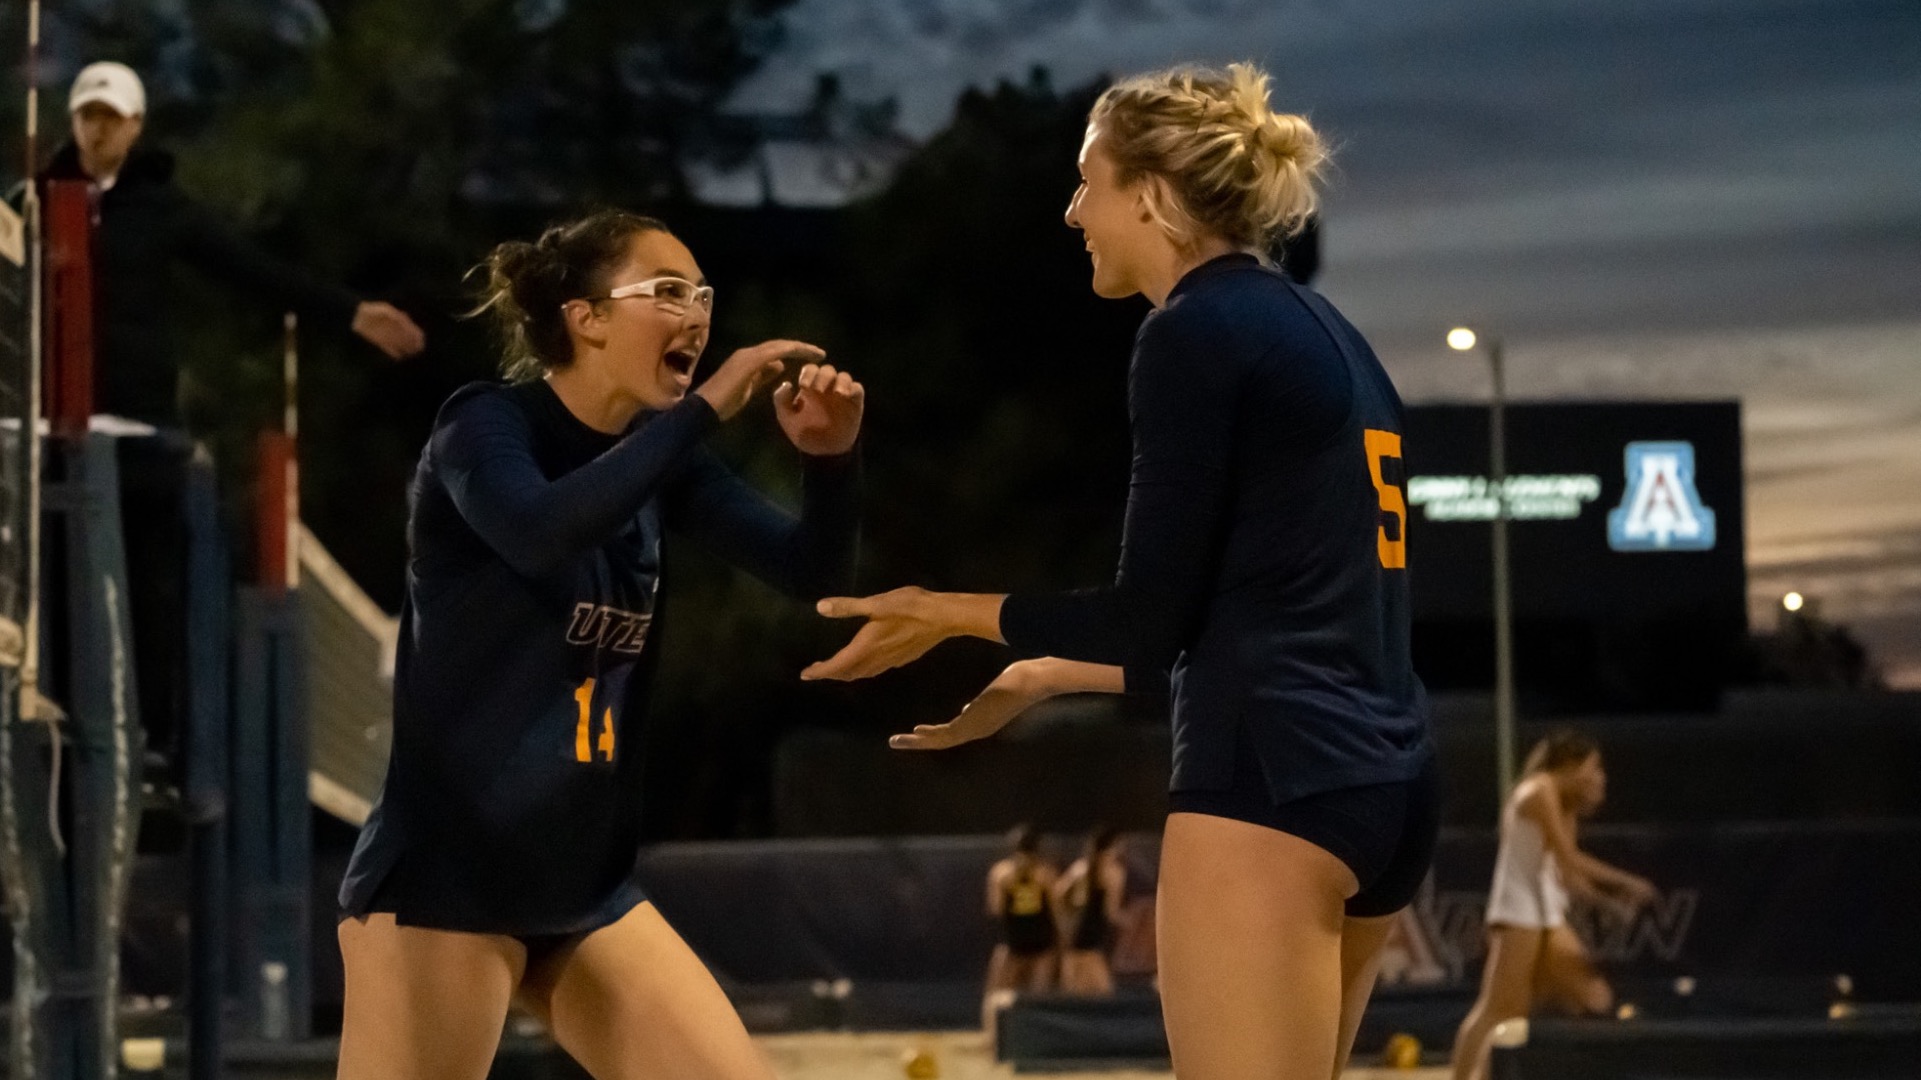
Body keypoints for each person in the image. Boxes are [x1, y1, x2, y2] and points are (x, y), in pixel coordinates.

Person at [803, 63, 1438, 1079]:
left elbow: (1146, 616)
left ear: (1146, 193)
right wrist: (1052, 674)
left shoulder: (1189, 331)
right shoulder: (1333, 336)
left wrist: (944, 610)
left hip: (1272, 782)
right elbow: (1280, 617)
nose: (1071, 212)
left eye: (1085, 182)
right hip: (1386, 784)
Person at [334, 209, 863, 1080]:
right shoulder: (486, 425)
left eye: (702, 295)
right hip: (450, 879)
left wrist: (832, 464)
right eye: (666, 292)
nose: (696, 313)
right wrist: (699, 411)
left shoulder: (661, 458)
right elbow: (541, 531)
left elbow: (814, 574)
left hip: (582, 885)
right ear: (586, 318)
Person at [37, 60, 426, 426]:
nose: (99, 129)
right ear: (73, 122)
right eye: (89, 115)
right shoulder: (36, 199)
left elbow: (254, 271)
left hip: (137, 410)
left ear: (135, 125)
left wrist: (351, 313)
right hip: (48, 404)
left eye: (112, 116)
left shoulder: (162, 207)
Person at [1449, 731, 1656, 1080]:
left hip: (1544, 912)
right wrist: (1624, 885)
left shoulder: (1563, 802)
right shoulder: (1539, 789)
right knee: (1499, 1010)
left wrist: (1608, 902)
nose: (1599, 776)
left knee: (1593, 995)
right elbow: (1570, 859)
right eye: (1593, 767)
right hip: (1517, 912)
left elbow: (1566, 877)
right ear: (1570, 766)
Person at [983, 824, 1061, 1029]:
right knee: (1038, 996)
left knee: (997, 994)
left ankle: (993, 1036)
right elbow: (1055, 908)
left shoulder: (1001, 873)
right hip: (1040, 937)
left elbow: (995, 908)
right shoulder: (1045, 873)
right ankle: (1035, 1034)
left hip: (1013, 938)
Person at [1055, 826, 1127, 995]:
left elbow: (1058, 894)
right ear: (1113, 846)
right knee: (1102, 993)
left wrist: (1065, 921)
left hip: (1074, 935)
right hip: (1091, 940)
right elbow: (1111, 912)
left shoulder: (1079, 867)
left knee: (1075, 994)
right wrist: (1129, 922)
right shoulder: (1113, 872)